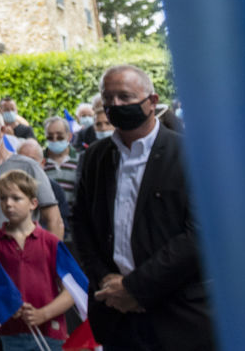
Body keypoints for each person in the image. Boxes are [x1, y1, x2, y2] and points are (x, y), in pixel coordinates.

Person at [73, 65, 216, 351]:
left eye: (125, 97)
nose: (115, 105)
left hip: (178, 319)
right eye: (108, 98)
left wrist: (136, 288)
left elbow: (199, 234)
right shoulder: (95, 158)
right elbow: (82, 225)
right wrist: (107, 282)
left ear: (152, 101)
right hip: (116, 317)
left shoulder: (190, 155)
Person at [0, 170, 74, 350]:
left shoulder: (51, 243)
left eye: (16, 198)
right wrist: (5, 305)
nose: (8, 203)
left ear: (33, 203)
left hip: (50, 333)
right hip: (10, 334)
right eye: (3, 198)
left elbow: (72, 291)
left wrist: (43, 314)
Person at [0, 106, 64, 239]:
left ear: (2, 130)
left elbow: (54, 220)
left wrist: (49, 251)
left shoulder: (27, 167)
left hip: (19, 251)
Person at [43, 116, 79, 212]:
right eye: (50, 137)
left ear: (69, 136)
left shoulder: (80, 160)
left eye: (60, 136)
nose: (55, 140)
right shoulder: (39, 161)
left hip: (74, 217)